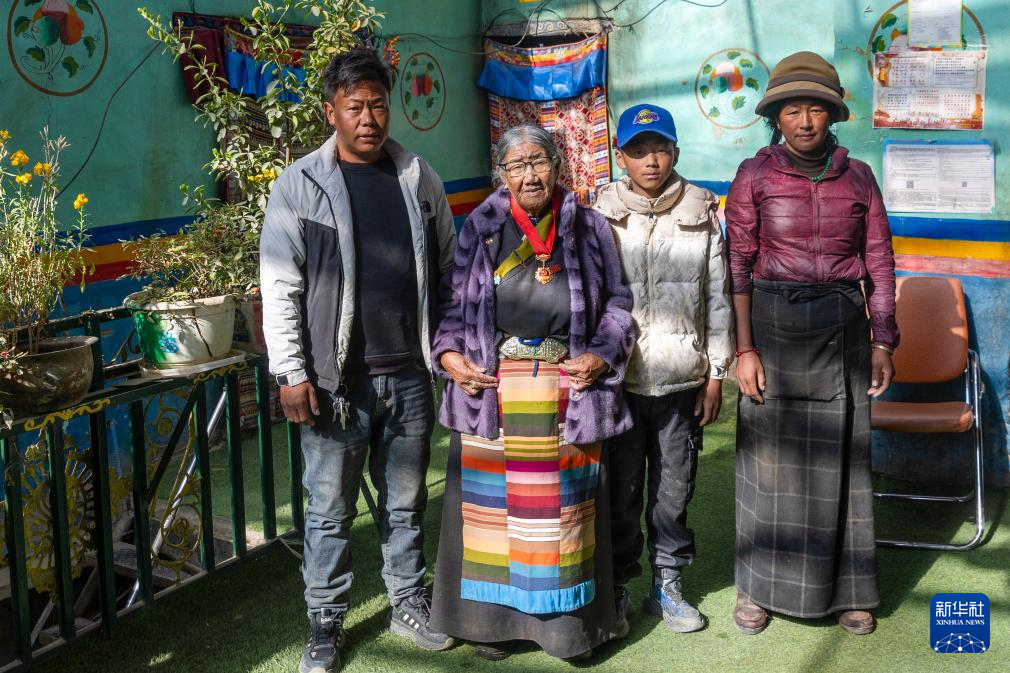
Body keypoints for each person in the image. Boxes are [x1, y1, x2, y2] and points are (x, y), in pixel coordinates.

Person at [259, 48, 457, 673]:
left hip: (409, 376)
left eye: (377, 105)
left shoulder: (418, 177)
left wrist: (444, 350)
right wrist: (291, 372)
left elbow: (449, 269)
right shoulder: (299, 185)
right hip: (334, 384)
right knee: (328, 512)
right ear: (331, 112)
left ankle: (407, 601)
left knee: (406, 504)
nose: (368, 119)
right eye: (354, 107)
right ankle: (325, 621)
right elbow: (280, 286)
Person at [428, 124, 635, 661]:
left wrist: (601, 354)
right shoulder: (481, 227)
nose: (529, 175)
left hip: (568, 391)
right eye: (516, 166)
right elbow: (453, 306)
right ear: (501, 173)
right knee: (493, 521)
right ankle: (494, 627)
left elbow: (618, 304)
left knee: (563, 520)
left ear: (557, 166)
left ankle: (567, 632)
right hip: (494, 392)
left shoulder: (589, 227)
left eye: (538, 162)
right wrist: (449, 356)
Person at [725, 51, 898, 637]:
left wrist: (883, 340)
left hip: (842, 330)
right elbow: (737, 266)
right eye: (793, 110)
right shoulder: (754, 176)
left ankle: (850, 592)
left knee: (842, 463)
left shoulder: (859, 178)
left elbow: (879, 260)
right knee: (767, 466)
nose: (804, 121)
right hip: (772, 327)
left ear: (832, 115)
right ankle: (756, 588)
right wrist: (745, 350)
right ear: (776, 117)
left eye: (816, 109)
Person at [594, 104, 733, 633]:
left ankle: (667, 585)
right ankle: (619, 586)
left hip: (682, 379)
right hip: (620, 381)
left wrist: (715, 375)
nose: (650, 160)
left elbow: (718, 297)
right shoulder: (601, 214)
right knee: (622, 489)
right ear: (621, 157)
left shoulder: (702, 211)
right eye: (638, 150)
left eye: (660, 148)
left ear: (675, 151)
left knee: (674, 492)